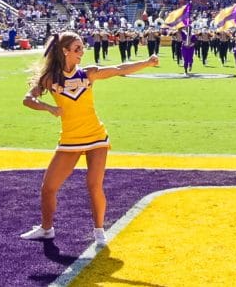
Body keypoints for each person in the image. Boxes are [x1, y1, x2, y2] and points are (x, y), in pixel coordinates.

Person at [19, 31, 158, 245]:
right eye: (77, 49)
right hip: (70, 139)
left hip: (96, 137)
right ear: (64, 51)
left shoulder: (88, 73)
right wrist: (48, 107)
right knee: (48, 188)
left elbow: (119, 69)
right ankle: (46, 229)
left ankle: (99, 231)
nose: (82, 52)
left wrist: (147, 63)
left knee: (93, 184)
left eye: (82, 48)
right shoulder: (50, 79)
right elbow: (27, 99)